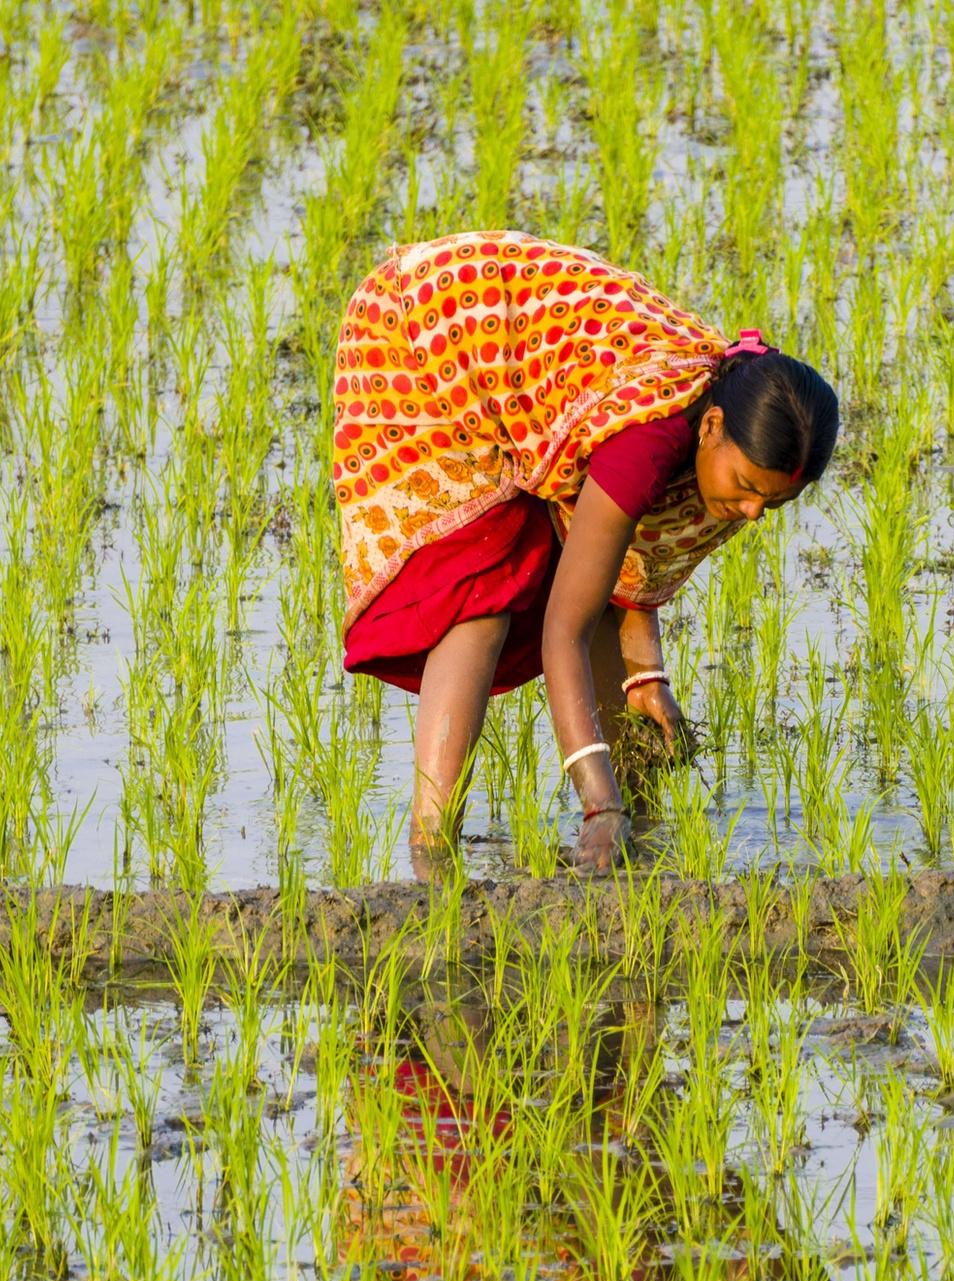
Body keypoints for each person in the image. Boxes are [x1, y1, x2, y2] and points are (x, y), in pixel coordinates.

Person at [331, 231, 839, 872]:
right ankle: (432, 845)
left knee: (582, 576)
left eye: (772, 503)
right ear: (711, 427)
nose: (753, 514)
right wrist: (597, 807)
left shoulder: (731, 437)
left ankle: (637, 833)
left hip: (506, 362)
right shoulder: (645, 442)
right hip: (422, 336)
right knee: (483, 583)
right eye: (745, 491)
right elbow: (562, 633)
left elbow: (626, 567)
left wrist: (645, 675)